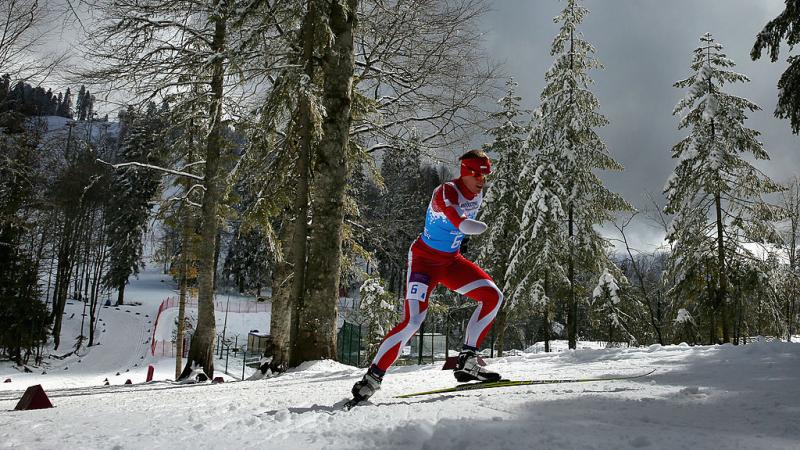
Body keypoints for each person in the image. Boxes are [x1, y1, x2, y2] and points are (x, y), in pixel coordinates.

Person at [351, 150, 504, 402]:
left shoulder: (477, 192)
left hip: (451, 261)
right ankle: (372, 377)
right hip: (424, 262)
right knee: (413, 321)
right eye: (476, 174)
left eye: (485, 175)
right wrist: (465, 229)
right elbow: (457, 218)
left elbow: (455, 228)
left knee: (492, 297)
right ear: (465, 172)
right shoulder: (446, 191)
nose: (481, 181)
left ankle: (467, 359)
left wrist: (460, 241)